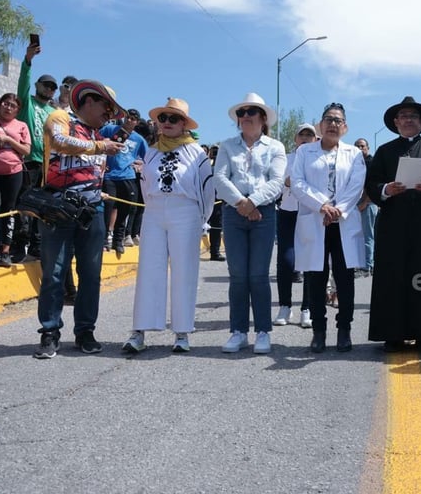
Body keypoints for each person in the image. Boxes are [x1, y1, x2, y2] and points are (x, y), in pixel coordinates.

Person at [33, 80, 126, 359]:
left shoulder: (99, 136)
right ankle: (50, 332)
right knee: (54, 273)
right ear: (88, 101)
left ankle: (85, 330)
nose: (109, 114)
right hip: (58, 206)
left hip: (93, 210)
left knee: (91, 274)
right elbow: (60, 141)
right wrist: (99, 146)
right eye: (106, 107)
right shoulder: (61, 117)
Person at [121, 98, 214, 354]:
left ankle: (182, 332)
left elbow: (207, 190)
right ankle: (139, 331)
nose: (167, 123)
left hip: (185, 211)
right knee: (149, 270)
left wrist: (203, 220)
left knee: (184, 270)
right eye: (163, 118)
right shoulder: (151, 150)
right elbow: (145, 185)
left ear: (184, 123)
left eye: (173, 119)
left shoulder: (197, 153)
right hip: (154, 212)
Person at [366, 97, 421, 352]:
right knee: (393, 278)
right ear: (395, 122)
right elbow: (371, 184)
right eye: (403, 116)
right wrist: (386, 189)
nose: (408, 120)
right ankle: (392, 334)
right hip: (393, 223)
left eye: (413, 116)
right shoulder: (384, 151)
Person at [206, 93, 286, 354]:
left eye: (252, 112)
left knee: (259, 275)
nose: (246, 117)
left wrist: (252, 202)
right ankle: (238, 331)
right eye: (242, 113)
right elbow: (219, 178)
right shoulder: (227, 145)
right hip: (234, 212)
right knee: (238, 275)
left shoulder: (276, 147)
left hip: (263, 213)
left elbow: (276, 181)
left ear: (263, 118)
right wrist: (242, 203)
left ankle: (263, 331)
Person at [291, 103, 365, 353]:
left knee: (345, 279)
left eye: (338, 120)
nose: (333, 124)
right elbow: (298, 183)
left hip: (342, 222)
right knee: (315, 278)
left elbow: (356, 185)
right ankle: (319, 331)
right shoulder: (305, 152)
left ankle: (344, 329)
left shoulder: (354, 153)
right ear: (320, 125)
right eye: (328, 119)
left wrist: (337, 210)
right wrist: (322, 205)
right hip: (315, 219)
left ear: (345, 127)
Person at [14, 43, 58, 262]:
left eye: (53, 87)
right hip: (29, 162)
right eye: (46, 85)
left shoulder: (54, 111)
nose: (49, 89)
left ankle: (36, 246)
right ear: (38, 85)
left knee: (42, 208)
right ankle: (17, 246)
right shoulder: (26, 103)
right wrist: (28, 60)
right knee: (24, 205)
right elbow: (22, 81)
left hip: (48, 165)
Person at [276, 123, 317, 328]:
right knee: (286, 260)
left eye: (309, 135)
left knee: (309, 261)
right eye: (302, 135)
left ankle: (306, 308)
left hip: (310, 214)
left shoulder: (319, 160)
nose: (305, 138)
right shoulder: (286, 159)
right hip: (288, 212)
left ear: (315, 139)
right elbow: (277, 183)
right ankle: (285, 306)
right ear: (295, 139)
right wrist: (287, 182)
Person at [0, 93, 31, 267]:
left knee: (8, 209)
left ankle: (5, 250)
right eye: (6, 103)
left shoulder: (21, 125)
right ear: (0, 105)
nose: (8, 107)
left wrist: (8, 139)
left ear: (17, 110)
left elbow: (26, 150)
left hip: (13, 172)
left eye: (13, 105)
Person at [99, 108, 147, 255]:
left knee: (126, 209)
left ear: (137, 122)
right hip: (109, 176)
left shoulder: (139, 139)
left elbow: (148, 158)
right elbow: (96, 140)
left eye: (133, 118)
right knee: (108, 207)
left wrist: (140, 164)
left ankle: (118, 240)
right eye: (128, 117)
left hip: (127, 176)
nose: (129, 120)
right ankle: (104, 239)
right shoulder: (110, 129)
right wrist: (102, 156)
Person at [354, 137, 376, 277]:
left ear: (367, 148)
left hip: (368, 204)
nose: (360, 149)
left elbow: (373, 185)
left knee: (368, 235)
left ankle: (368, 265)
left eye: (362, 146)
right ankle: (360, 263)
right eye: (357, 146)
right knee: (357, 236)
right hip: (355, 205)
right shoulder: (354, 163)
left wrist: (365, 202)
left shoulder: (372, 163)